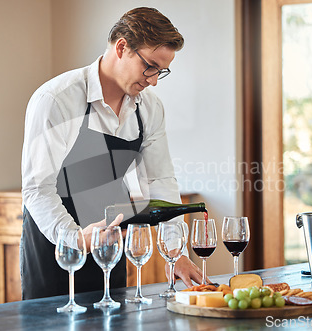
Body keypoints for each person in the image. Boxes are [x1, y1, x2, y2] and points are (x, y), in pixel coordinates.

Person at [20, 7, 204, 300]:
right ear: (122, 48)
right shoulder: (57, 99)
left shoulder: (149, 108)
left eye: (161, 71)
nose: (154, 80)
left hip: (111, 251)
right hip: (55, 253)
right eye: (150, 66)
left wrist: (175, 252)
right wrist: (77, 239)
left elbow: (161, 180)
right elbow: (37, 189)